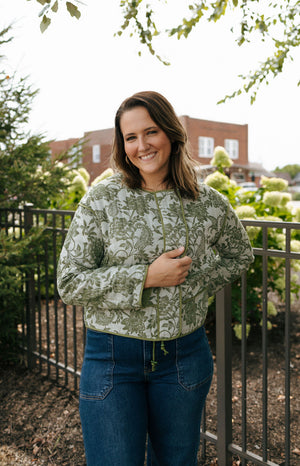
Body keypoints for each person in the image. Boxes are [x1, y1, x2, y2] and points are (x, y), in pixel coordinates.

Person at [57, 91, 254, 466]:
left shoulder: (208, 202)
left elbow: (238, 254)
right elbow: (69, 282)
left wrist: (191, 280)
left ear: (171, 133)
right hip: (113, 358)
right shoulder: (101, 200)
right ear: (122, 144)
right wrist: (146, 277)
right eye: (130, 137)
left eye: (150, 132)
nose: (141, 145)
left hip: (184, 357)